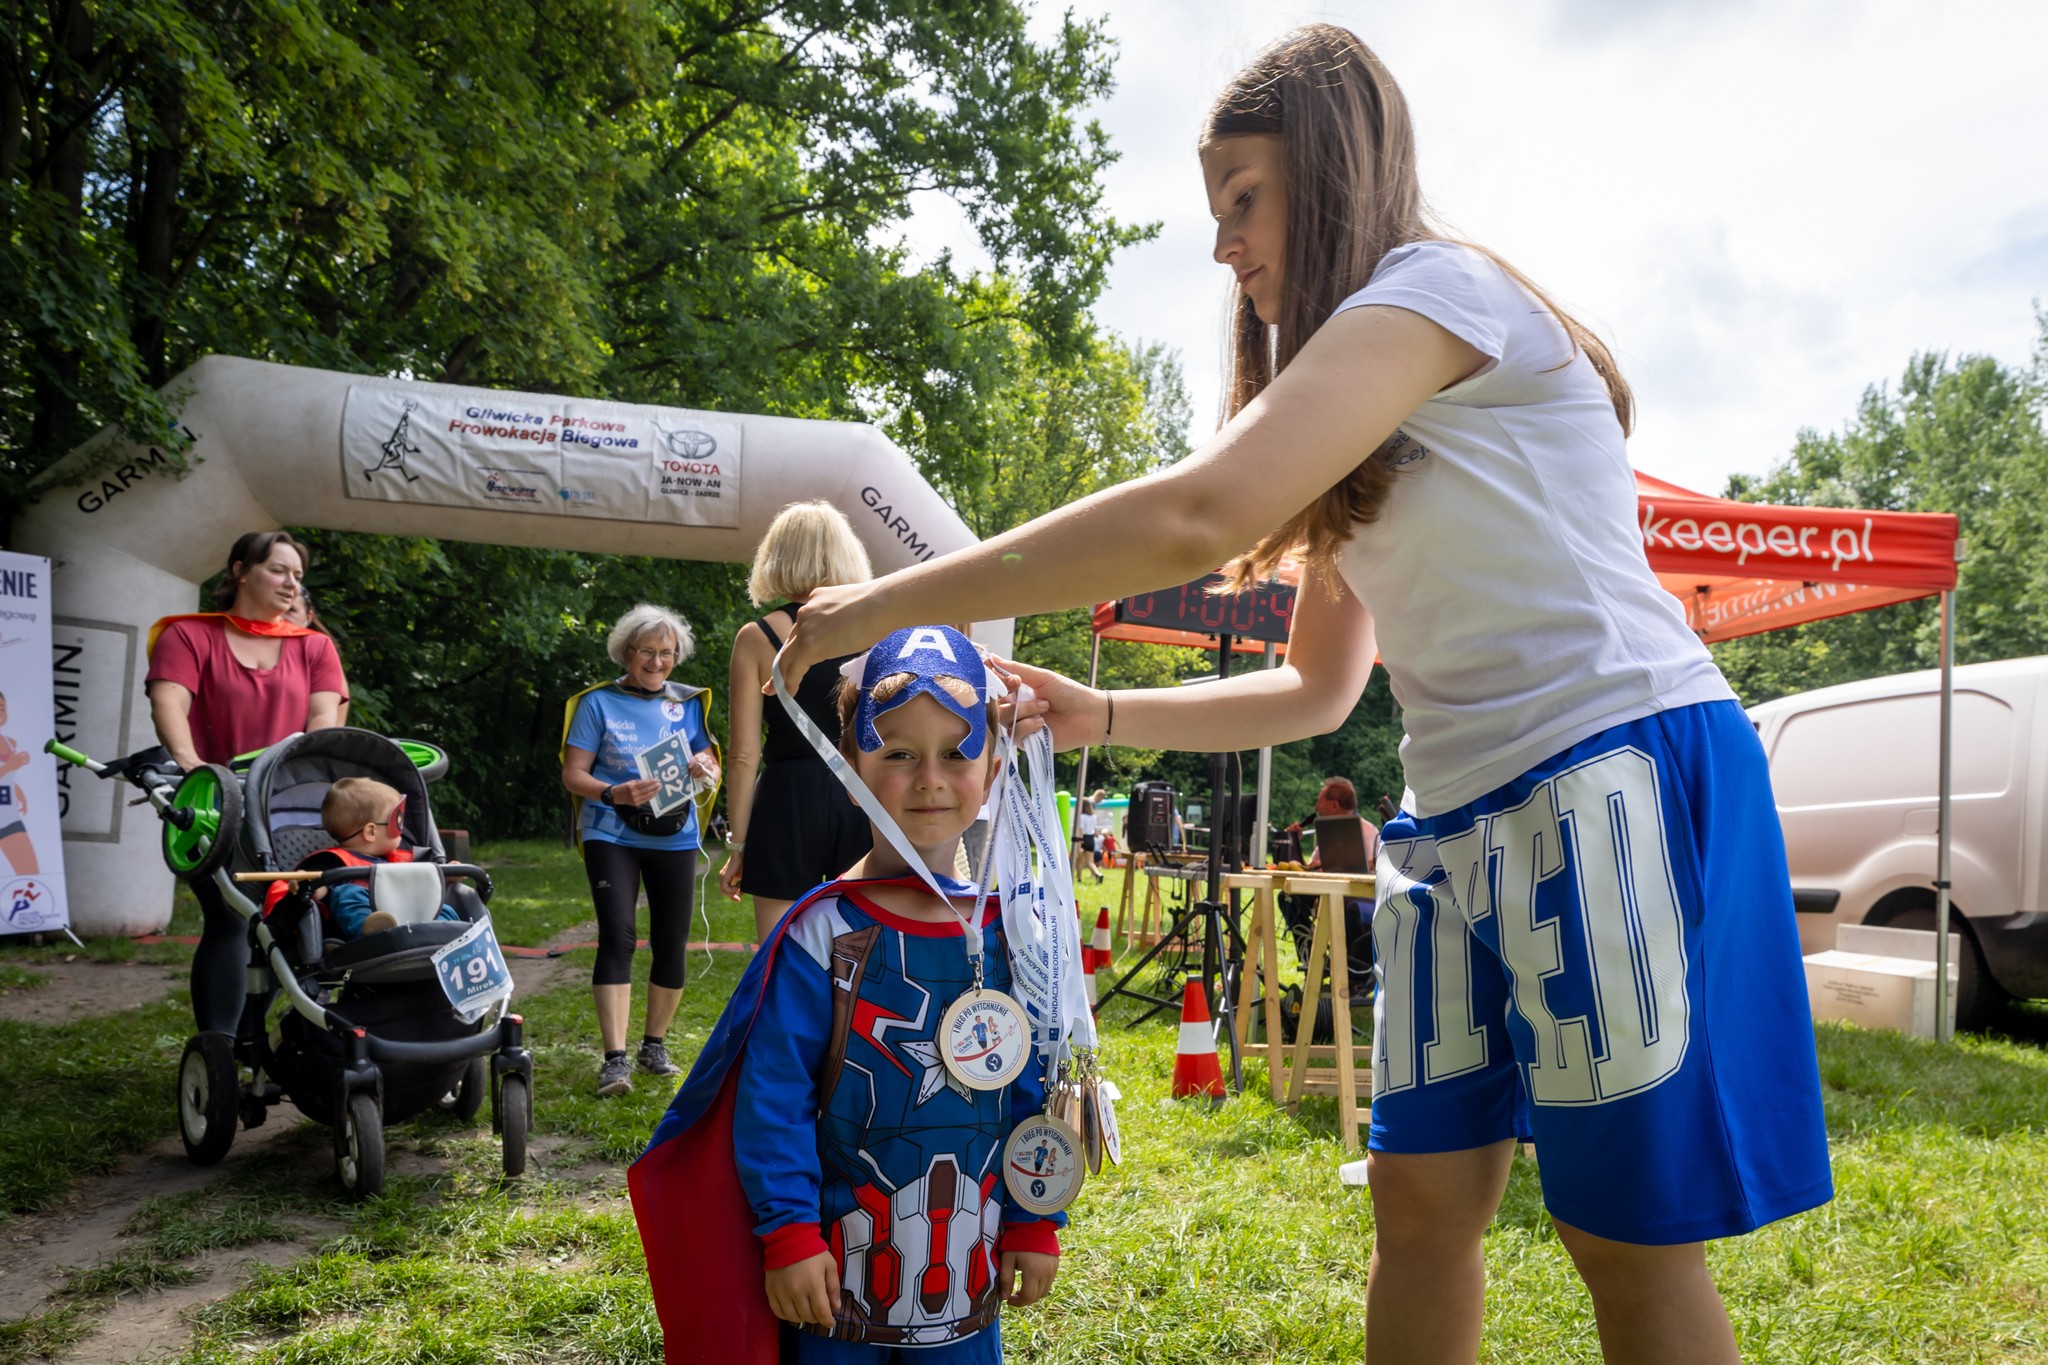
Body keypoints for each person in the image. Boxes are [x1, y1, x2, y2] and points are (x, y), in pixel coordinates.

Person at [769, 26, 1831, 1364]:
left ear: (1331, 173)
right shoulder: (1354, 420)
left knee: (1620, 1239)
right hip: (1450, 822)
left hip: (1608, 765)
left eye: (1245, 199)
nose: (1223, 247)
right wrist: (1102, 715)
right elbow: (1323, 688)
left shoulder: (1443, 290)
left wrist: (878, 605)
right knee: (1419, 1203)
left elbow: (1200, 514)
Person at [629, 625, 1061, 1362]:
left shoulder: (1011, 930)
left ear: (991, 769)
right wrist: (789, 1233)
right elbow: (773, 1096)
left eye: (957, 752)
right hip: (831, 1287)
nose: (929, 776)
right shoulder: (820, 931)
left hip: (965, 1283)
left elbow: (1027, 1086)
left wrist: (1029, 1219)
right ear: (850, 767)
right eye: (898, 752)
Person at [146, 530, 347, 1036]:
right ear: (239, 570)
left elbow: (325, 719)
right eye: (278, 570)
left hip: (289, 804)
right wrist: (193, 765)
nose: (290, 584)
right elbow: (168, 701)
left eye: (297, 576)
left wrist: (303, 773)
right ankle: (219, 1049)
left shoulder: (315, 647)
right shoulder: (189, 636)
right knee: (231, 919)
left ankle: (254, 1039)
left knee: (285, 918)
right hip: (216, 802)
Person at [560, 604, 721, 1098]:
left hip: (675, 833)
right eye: (647, 651)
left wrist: (703, 765)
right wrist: (613, 792)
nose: (657, 662)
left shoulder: (689, 702)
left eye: (667, 653)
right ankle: (614, 1060)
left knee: (671, 941)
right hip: (611, 829)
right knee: (618, 936)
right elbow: (573, 774)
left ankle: (655, 1046)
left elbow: (710, 761)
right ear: (625, 652)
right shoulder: (597, 703)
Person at [720, 500, 875, 942]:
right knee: (864, 954)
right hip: (859, 794)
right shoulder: (876, 631)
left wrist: (738, 847)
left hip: (786, 799)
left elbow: (743, 755)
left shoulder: (757, 637)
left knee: (779, 956)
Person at [261, 777, 462, 939]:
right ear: (371, 831)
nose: (403, 829)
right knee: (348, 893)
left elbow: (421, 881)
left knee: (436, 902)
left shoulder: (397, 860)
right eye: (397, 820)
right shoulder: (332, 862)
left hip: (408, 919)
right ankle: (373, 933)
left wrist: (444, 876)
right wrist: (308, 885)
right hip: (351, 935)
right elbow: (319, 891)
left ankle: (450, 931)